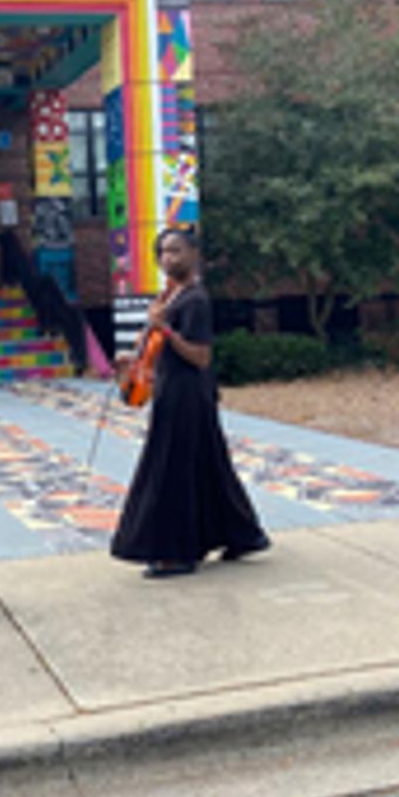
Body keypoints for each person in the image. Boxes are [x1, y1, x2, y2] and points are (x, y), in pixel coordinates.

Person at [110, 228, 271, 577]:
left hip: (187, 394)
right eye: (164, 252)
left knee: (172, 471)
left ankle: (178, 552)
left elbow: (200, 356)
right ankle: (243, 535)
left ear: (194, 254)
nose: (169, 258)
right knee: (207, 464)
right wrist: (132, 357)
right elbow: (156, 344)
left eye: (177, 251)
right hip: (173, 390)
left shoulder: (195, 299)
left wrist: (165, 330)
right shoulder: (169, 296)